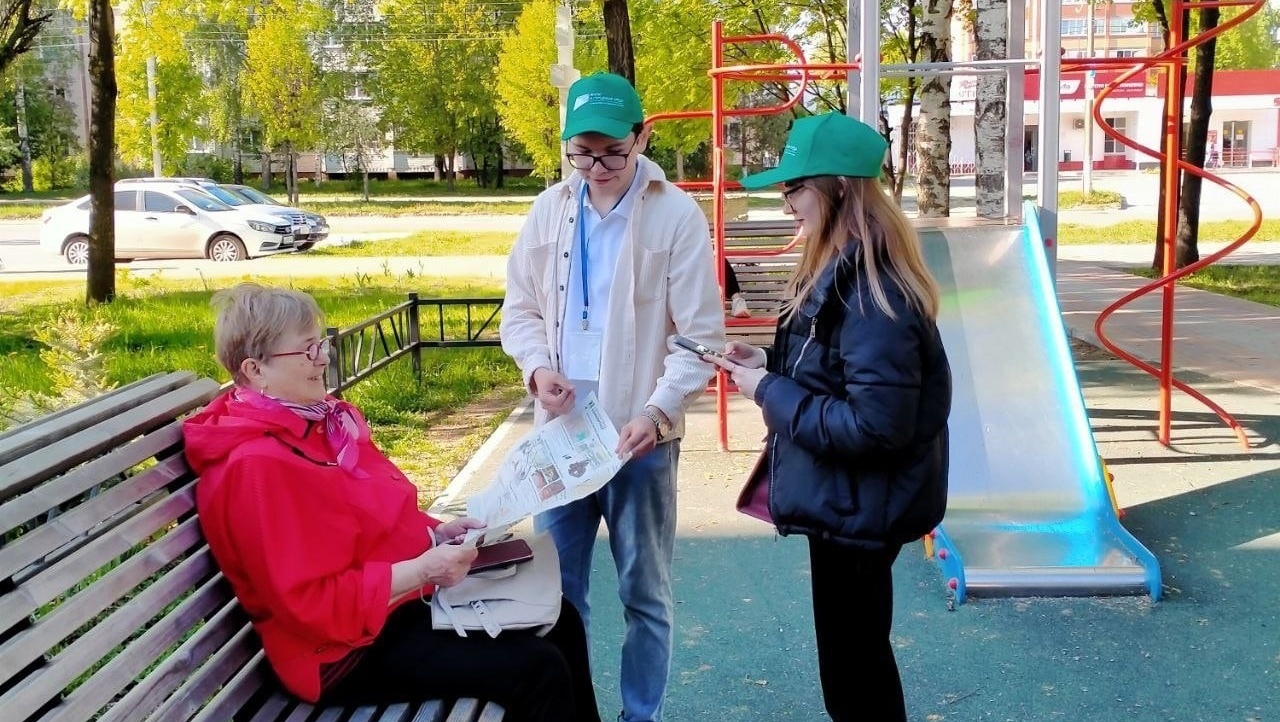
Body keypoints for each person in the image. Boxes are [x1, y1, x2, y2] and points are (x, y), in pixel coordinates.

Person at [183, 283, 601, 722]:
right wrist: (423, 569)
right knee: (538, 670)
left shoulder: (318, 425)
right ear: (255, 370)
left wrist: (433, 531)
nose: (324, 358)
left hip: (389, 609)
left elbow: (373, 514)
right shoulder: (257, 467)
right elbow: (312, 607)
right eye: (306, 351)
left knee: (563, 620)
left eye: (320, 344)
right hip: (340, 652)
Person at [701, 112, 952, 722]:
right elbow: (834, 370)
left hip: (859, 507)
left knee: (854, 670)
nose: (787, 202)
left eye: (796, 187)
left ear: (839, 186)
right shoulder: (850, 270)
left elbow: (875, 426)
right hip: (850, 504)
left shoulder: (872, 290)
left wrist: (766, 390)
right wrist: (765, 362)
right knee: (855, 660)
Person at [499, 71, 725, 722]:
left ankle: (640, 716)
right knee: (555, 594)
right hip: (563, 436)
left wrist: (658, 413)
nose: (596, 166)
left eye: (611, 151)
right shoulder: (549, 210)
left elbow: (700, 337)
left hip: (639, 439)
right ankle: (570, 712)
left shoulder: (676, 215)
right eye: (582, 151)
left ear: (642, 136)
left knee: (645, 592)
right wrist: (538, 368)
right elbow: (519, 311)